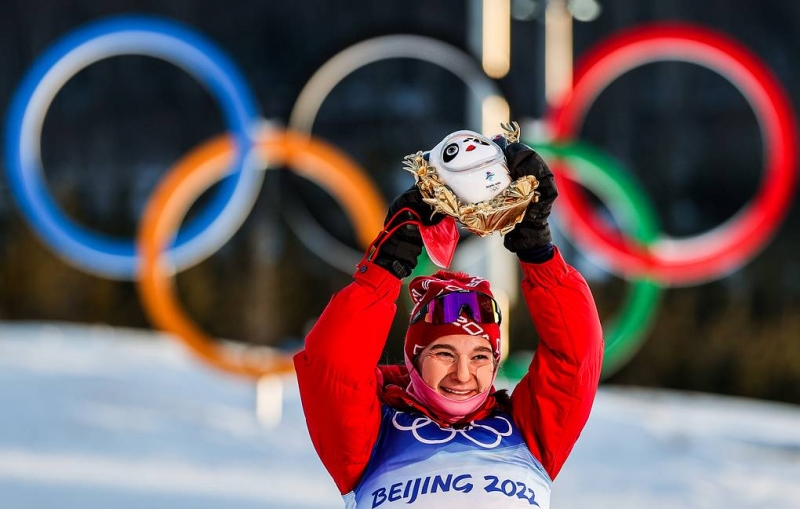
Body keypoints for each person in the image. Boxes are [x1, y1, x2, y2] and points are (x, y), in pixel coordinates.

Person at [293, 136, 604, 508]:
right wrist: (386, 266)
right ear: (414, 357)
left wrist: (537, 249)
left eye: (480, 357)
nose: (462, 374)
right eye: (444, 353)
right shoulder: (371, 439)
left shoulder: (531, 433)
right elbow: (333, 364)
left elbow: (577, 354)